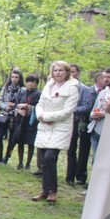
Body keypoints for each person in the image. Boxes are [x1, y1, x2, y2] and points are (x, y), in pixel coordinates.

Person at [32, 61, 80, 203]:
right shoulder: (48, 85)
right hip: (45, 127)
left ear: (66, 72)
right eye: (55, 70)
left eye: (61, 70)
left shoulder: (72, 88)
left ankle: (53, 191)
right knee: (44, 160)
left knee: (50, 158)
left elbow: (68, 111)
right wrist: (40, 115)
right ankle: (45, 191)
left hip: (60, 127)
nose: (57, 73)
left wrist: (47, 117)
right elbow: (40, 104)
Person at [65, 64, 93, 186]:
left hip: (80, 121)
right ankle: (69, 176)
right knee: (70, 150)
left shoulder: (85, 89)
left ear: (78, 73)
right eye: (69, 72)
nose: (71, 74)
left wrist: (71, 109)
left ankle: (81, 175)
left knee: (82, 150)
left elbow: (87, 107)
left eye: (73, 72)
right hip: (68, 122)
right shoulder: (64, 88)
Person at [0, 69, 24, 164]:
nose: (14, 79)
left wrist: (13, 106)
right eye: (12, 77)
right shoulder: (6, 87)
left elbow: (22, 103)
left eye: (16, 77)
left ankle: (6, 157)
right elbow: (0, 100)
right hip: (4, 114)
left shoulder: (22, 90)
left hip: (15, 116)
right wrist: (5, 107)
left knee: (12, 139)